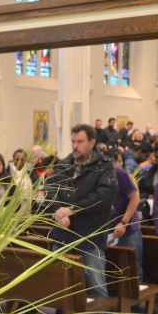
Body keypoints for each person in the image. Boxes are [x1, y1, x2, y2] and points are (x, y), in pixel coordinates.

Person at [44, 124, 118, 297]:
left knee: (96, 285)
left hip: (90, 237)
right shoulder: (64, 164)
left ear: (92, 143)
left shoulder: (104, 166)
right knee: (61, 284)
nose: (75, 146)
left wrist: (72, 209)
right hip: (63, 235)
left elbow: (104, 196)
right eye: (73, 142)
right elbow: (50, 192)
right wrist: (57, 212)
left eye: (80, 142)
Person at [108, 153, 144, 277]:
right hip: (106, 232)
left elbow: (135, 199)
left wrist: (123, 222)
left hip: (127, 230)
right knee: (112, 272)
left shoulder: (118, 172)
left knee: (132, 271)